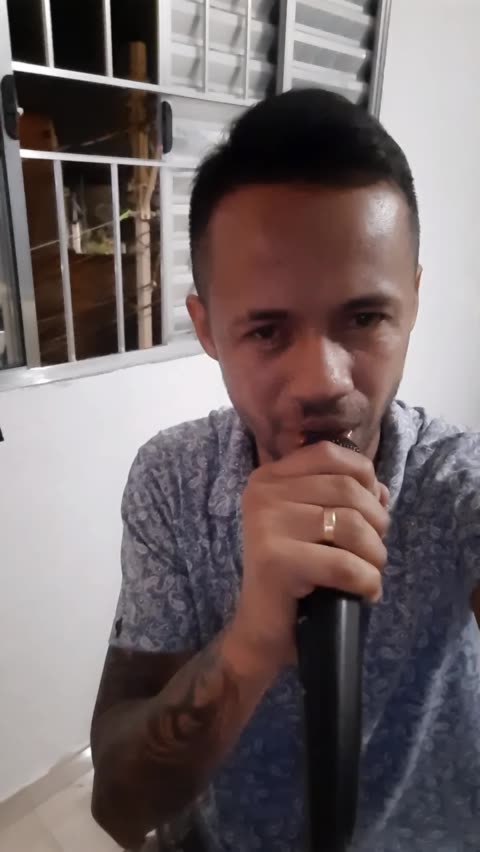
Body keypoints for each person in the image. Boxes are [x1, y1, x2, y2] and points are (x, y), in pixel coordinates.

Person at [90, 88, 480, 852]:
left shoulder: (457, 481)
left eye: (364, 318)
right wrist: (251, 642)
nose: (323, 381)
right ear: (207, 328)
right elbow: (118, 807)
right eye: (267, 331)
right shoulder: (172, 483)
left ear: (413, 301)